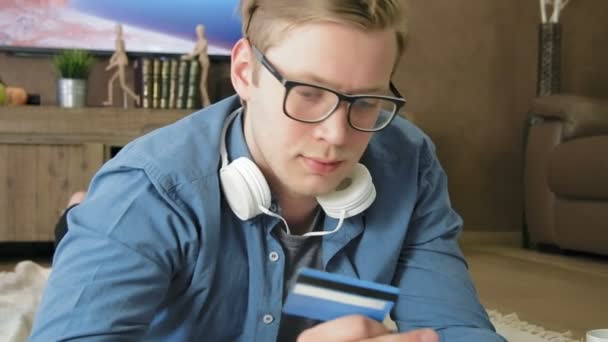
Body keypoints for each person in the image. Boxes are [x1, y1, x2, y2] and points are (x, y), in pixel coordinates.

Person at [31, 1, 505, 341]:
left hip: (310, 287)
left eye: (366, 101)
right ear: (244, 73)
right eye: (307, 92)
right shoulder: (148, 188)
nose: (337, 135)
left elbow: (454, 326)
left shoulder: (409, 162)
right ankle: (78, 217)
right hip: (146, 209)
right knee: (102, 221)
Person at [103, 23, 140, 107]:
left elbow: (119, 52)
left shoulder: (118, 41)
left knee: (122, 84)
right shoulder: (120, 40)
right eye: (116, 29)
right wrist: (113, 61)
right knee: (111, 81)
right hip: (121, 61)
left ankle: (136, 97)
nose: (117, 31)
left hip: (121, 62)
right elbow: (119, 52)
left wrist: (112, 62)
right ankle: (110, 101)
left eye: (118, 29)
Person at [182, 24, 212, 108]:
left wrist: (189, 56)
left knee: (202, 84)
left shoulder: (204, 41)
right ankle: (205, 102)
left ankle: (207, 103)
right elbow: (194, 52)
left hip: (204, 62)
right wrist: (188, 55)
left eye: (200, 31)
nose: (198, 33)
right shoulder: (199, 41)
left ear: (203, 32)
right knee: (200, 84)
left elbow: (197, 52)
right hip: (199, 63)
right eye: (197, 31)